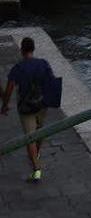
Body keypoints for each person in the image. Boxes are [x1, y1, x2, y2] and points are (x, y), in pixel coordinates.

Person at [2, 37, 57, 183]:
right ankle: (36, 155)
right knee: (39, 132)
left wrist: (5, 105)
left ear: (22, 50)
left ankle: (37, 170)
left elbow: (8, 89)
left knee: (29, 138)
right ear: (33, 49)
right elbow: (52, 81)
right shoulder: (43, 63)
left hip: (26, 108)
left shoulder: (18, 68)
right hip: (41, 105)